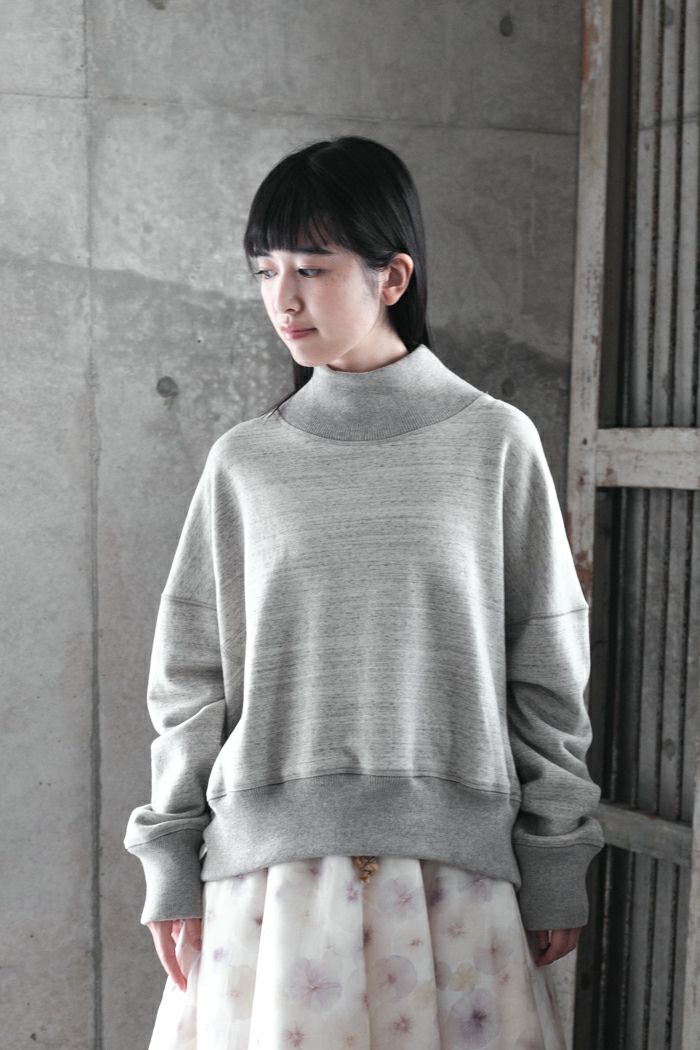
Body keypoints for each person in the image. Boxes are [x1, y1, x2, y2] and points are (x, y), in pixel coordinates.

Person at [124, 135, 605, 1049]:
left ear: (393, 277)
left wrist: (554, 861)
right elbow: (190, 682)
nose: (284, 299)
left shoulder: (496, 445)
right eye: (266, 270)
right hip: (269, 891)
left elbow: (548, 673)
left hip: (455, 885)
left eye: (312, 269)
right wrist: (170, 863)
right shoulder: (246, 464)